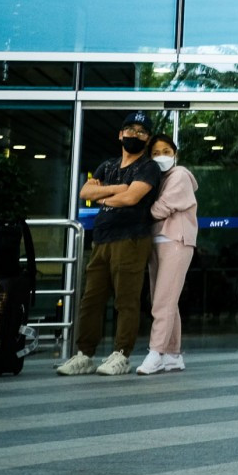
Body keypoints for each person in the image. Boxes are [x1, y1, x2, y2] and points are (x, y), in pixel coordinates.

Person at [57, 111, 164, 376]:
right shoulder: (109, 165)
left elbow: (131, 199)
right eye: (130, 129)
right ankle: (85, 354)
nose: (135, 135)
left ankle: (122, 354)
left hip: (131, 239)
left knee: (126, 300)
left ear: (147, 138)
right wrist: (119, 189)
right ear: (120, 134)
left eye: (141, 131)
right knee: (91, 300)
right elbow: (85, 192)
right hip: (101, 240)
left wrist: (103, 195)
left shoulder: (148, 167)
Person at [140, 133, 198, 376]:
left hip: (176, 240)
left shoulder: (180, 175)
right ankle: (173, 355)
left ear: (175, 153)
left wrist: (136, 211)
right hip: (159, 241)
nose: (161, 156)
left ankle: (156, 352)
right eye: (155, 153)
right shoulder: (159, 178)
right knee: (164, 299)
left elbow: (162, 208)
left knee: (163, 299)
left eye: (166, 151)